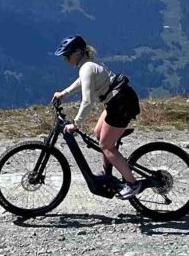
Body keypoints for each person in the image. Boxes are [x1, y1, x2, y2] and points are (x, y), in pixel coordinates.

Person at [52, 35, 143, 199]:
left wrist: (76, 123)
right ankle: (107, 172)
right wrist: (63, 94)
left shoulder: (86, 67)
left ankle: (132, 184)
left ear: (78, 52)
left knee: (106, 146)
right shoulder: (88, 65)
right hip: (118, 100)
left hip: (121, 103)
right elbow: (81, 82)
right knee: (98, 133)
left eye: (67, 55)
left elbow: (87, 101)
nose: (65, 59)